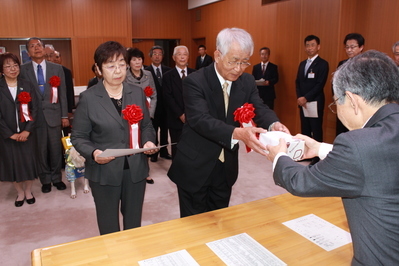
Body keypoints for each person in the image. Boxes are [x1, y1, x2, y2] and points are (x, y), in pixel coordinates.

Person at [266, 50, 399, 265]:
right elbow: (381, 163)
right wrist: (320, 149)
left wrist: (278, 156)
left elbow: (301, 182)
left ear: (353, 101)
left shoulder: (357, 144)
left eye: (337, 101)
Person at [168, 28, 290, 218]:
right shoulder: (195, 81)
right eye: (233, 61)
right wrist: (237, 134)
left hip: (226, 167)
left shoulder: (247, 81)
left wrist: (274, 124)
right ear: (218, 55)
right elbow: (200, 120)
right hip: (195, 165)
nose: (239, 68)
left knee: (219, 223)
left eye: (244, 62)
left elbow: (258, 107)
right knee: (193, 228)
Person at [71, 41, 157, 235]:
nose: (117, 70)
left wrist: (148, 141)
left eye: (121, 64)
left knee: (133, 224)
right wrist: (94, 153)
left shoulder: (136, 92)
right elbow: (78, 136)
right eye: (111, 66)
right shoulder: (89, 98)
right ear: (98, 69)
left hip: (135, 170)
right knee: (108, 226)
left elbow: (147, 126)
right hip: (104, 171)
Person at [20, 37, 69, 193]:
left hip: (54, 116)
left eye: (39, 45)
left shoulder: (56, 69)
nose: (37, 48)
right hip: (35, 118)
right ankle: (45, 180)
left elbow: (62, 94)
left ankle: (57, 178)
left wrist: (64, 116)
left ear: (43, 48)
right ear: (28, 52)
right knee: (40, 151)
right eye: (32, 46)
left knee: (56, 150)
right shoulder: (23, 70)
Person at [0, 53, 39, 207]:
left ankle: (28, 191)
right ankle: (19, 192)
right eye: (8, 66)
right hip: (7, 135)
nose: (13, 69)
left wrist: (27, 131)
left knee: (28, 163)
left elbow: (35, 110)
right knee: (13, 165)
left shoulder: (27, 85)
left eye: (15, 65)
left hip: (26, 133)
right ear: (2, 69)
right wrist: (10, 134)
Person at [125, 47, 157, 184]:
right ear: (129, 62)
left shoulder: (148, 74)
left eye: (139, 59)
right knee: (133, 144)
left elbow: (154, 95)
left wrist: (150, 114)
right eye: (134, 60)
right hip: (130, 117)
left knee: (147, 142)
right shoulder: (125, 76)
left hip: (146, 115)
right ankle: (132, 171)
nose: (137, 62)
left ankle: (146, 172)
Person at [295, 35, 328, 164]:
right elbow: (297, 82)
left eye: (312, 45)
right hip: (302, 103)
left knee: (316, 129)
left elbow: (320, 84)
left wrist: (306, 97)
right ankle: (306, 153)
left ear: (318, 47)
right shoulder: (302, 63)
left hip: (315, 101)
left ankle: (317, 157)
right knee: (305, 129)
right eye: (307, 45)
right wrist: (299, 97)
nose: (310, 48)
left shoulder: (323, 64)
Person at [163, 45, 195, 158]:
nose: (182, 57)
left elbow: (199, 96)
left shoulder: (195, 74)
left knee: (193, 145)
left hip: (193, 117)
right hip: (175, 117)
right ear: (174, 57)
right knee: (177, 146)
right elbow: (168, 97)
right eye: (179, 54)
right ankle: (177, 171)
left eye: (185, 54)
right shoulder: (167, 76)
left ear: (188, 57)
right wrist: (180, 114)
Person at [145, 46, 172, 161]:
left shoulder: (168, 70)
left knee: (165, 130)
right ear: (150, 56)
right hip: (153, 106)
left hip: (166, 106)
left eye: (159, 54)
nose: (157, 56)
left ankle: (164, 151)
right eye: (155, 54)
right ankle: (154, 152)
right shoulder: (146, 71)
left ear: (163, 56)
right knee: (153, 130)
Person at [335, 33, 365, 136]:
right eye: (347, 47)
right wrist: (336, 97)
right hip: (343, 103)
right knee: (341, 133)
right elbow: (335, 82)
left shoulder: (366, 65)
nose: (349, 50)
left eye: (352, 47)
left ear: (361, 47)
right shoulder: (342, 64)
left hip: (358, 106)